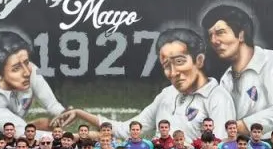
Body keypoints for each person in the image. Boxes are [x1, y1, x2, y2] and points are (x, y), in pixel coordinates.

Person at [75, 28, 235, 142]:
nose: (173, 72)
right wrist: (80, 113)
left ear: (198, 60)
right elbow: (127, 129)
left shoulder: (218, 98)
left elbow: (219, 147)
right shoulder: (167, 94)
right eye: (166, 65)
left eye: (179, 61)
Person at [202, 4, 273, 134]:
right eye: (210, 36)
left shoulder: (269, 60)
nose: (214, 41)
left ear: (241, 35)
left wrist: (236, 127)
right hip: (244, 146)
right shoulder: (226, 79)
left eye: (220, 33)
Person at [0, 30, 68, 134]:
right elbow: (22, 133)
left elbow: (52, 104)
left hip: (16, 128)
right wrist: (75, 137)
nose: (27, 73)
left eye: (26, 62)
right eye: (16, 69)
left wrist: (63, 113)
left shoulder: (31, 70)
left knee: (47, 124)